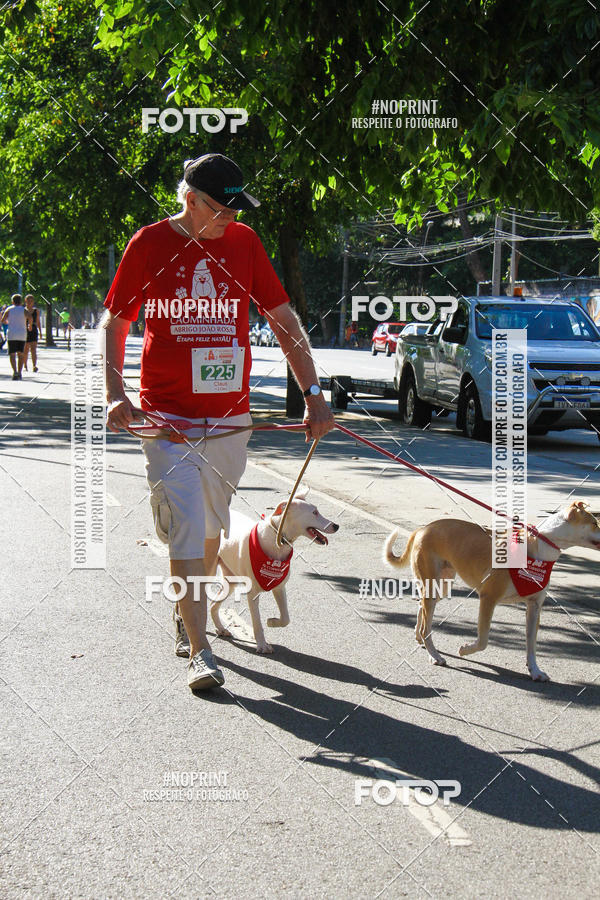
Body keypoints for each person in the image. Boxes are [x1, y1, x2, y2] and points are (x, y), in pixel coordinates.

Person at [103, 152, 335, 691]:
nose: (230, 217)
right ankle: (201, 650)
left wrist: (314, 393)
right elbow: (115, 323)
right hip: (166, 421)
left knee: (210, 530)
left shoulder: (244, 243)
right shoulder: (149, 244)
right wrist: (116, 394)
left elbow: (284, 320)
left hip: (230, 421)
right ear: (190, 199)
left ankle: (189, 614)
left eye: (236, 208)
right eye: (221, 208)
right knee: (187, 523)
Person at [1, 293, 31, 380]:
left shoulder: (9, 309)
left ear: (12, 301)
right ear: (21, 301)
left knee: (12, 354)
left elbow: (3, 320)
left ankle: (15, 371)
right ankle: (20, 372)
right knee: (21, 354)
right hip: (22, 334)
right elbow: (30, 317)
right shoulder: (24, 310)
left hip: (12, 334)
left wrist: (8, 323)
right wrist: (29, 325)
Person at [23, 294, 40, 372]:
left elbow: (38, 321)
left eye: (31, 301)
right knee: (25, 349)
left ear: (33, 302)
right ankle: (25, 365)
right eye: (28, 301)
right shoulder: (23, 310)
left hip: (33, 330)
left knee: (33, 349)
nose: (29, 302)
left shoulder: (36, 311)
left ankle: (34, 365)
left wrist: (40, 332)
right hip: (25, 330)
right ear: (25, 301)